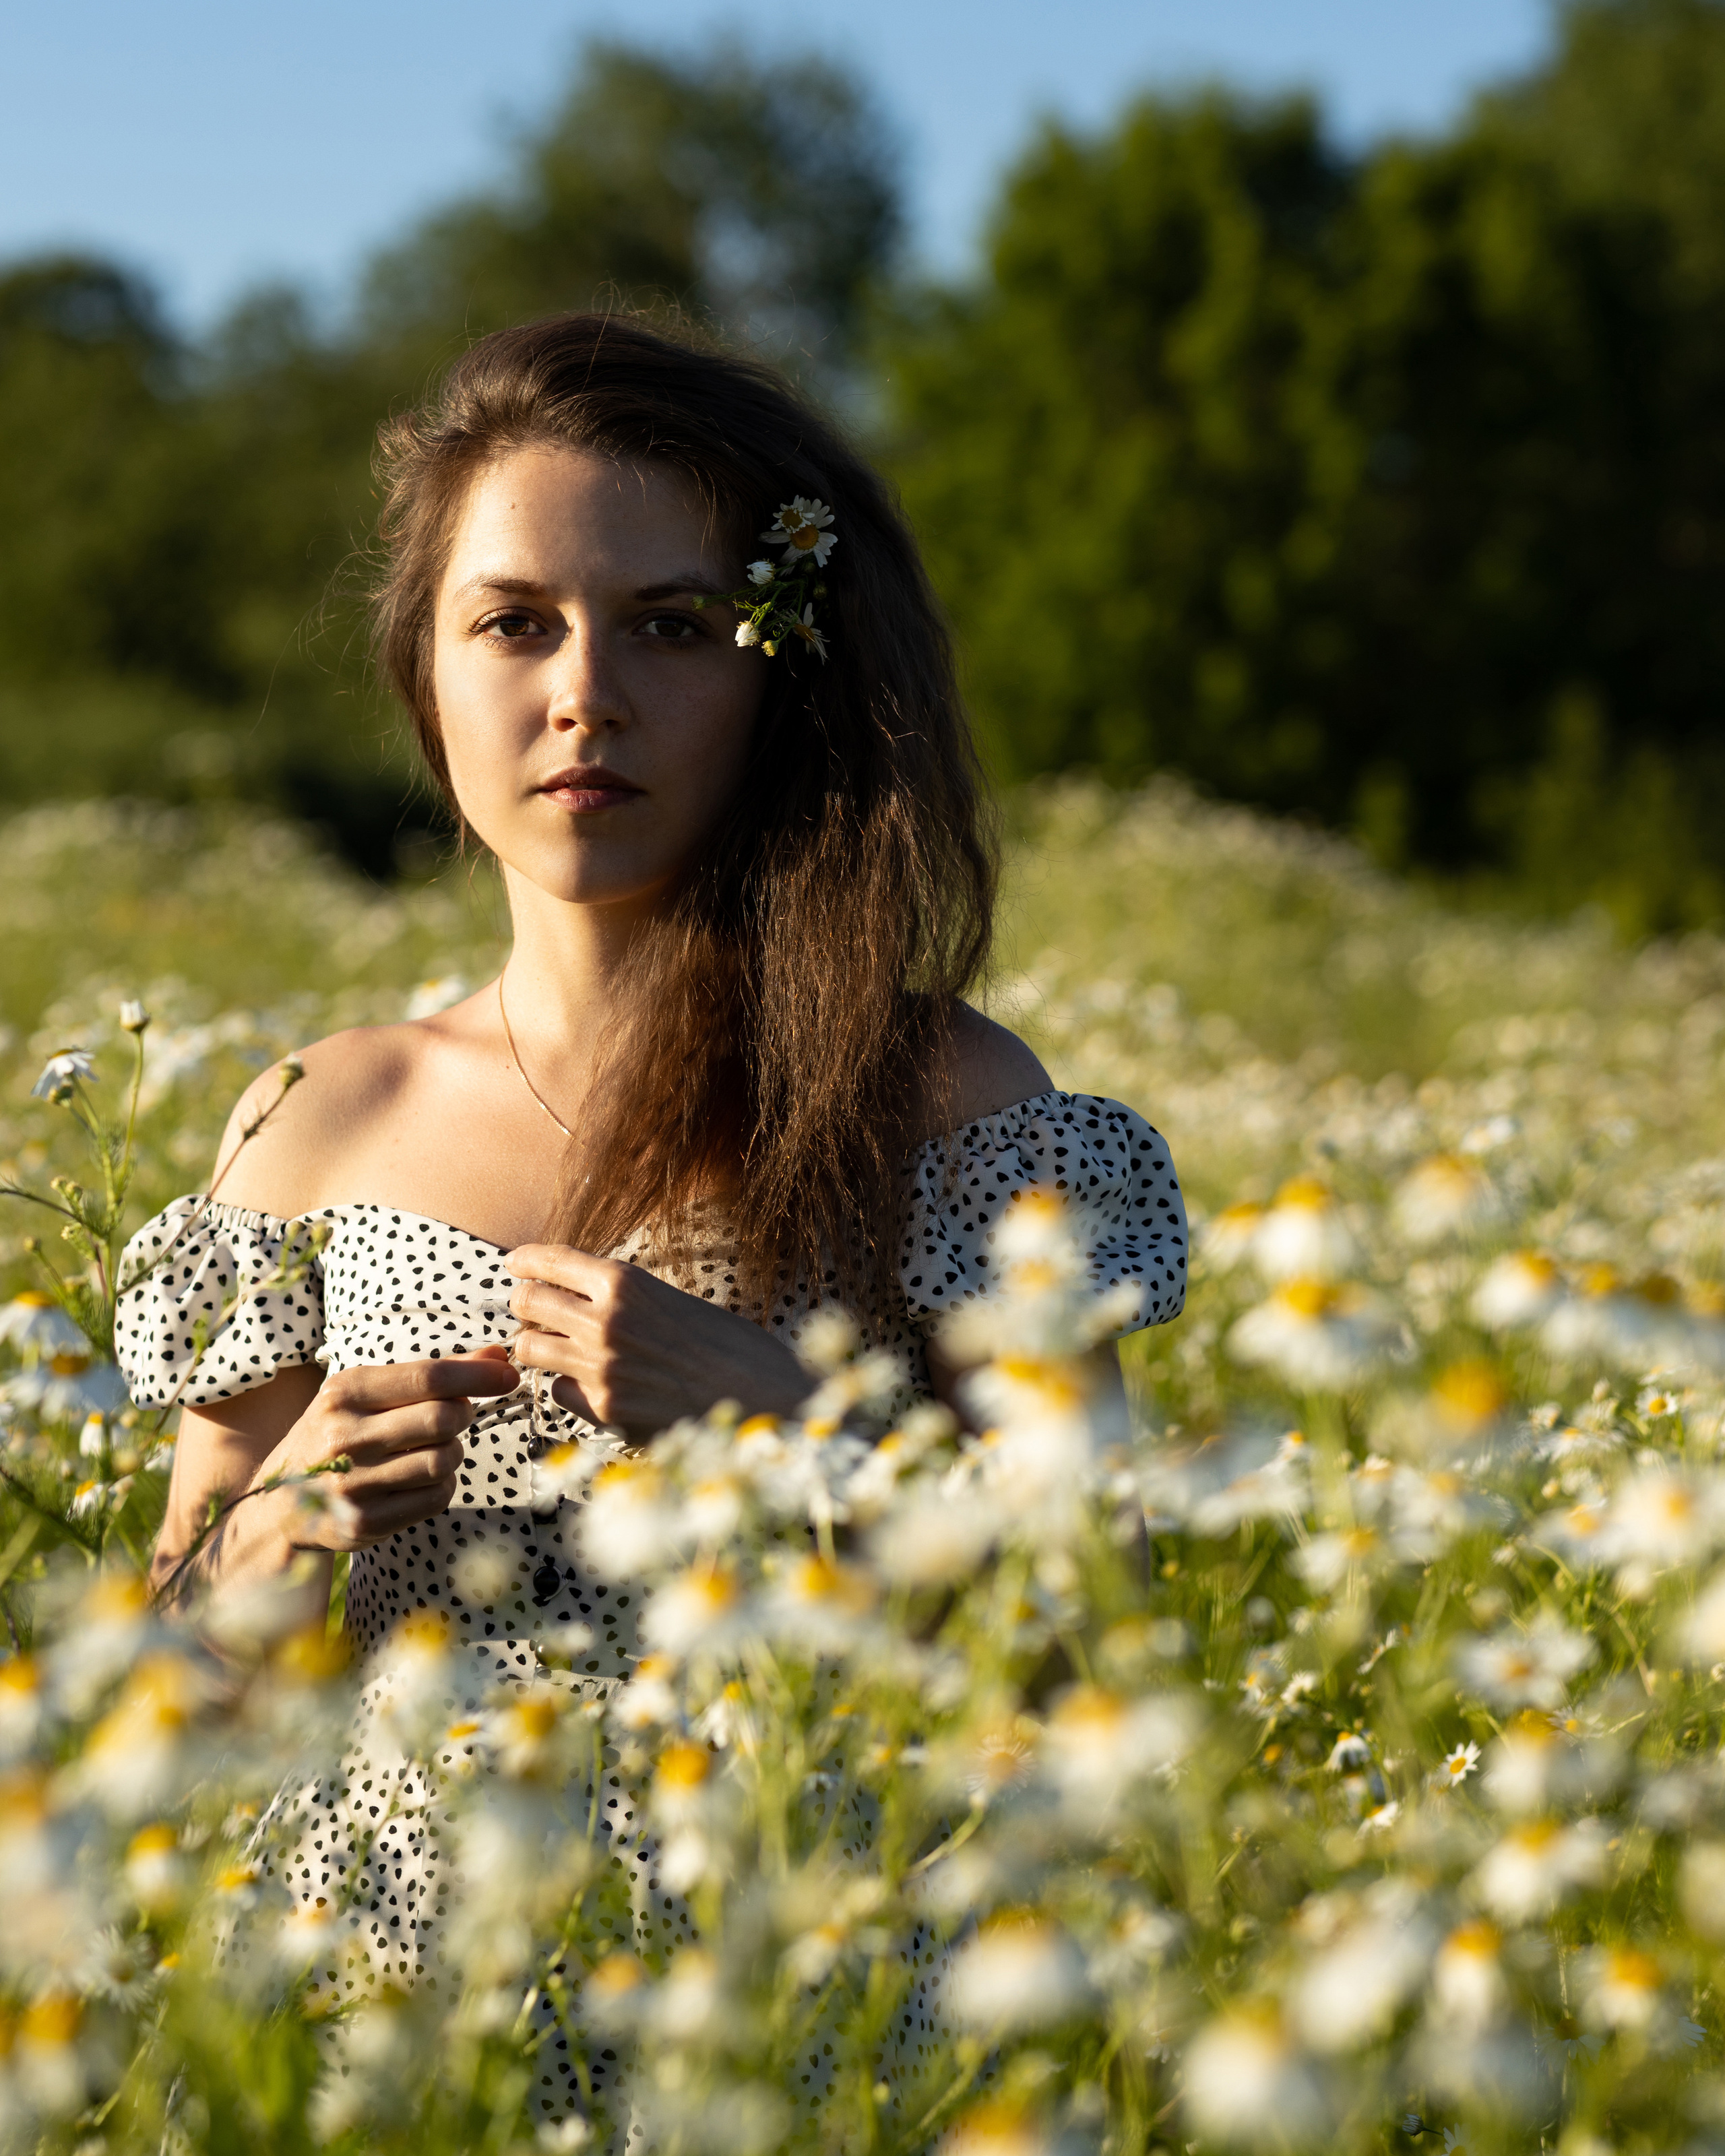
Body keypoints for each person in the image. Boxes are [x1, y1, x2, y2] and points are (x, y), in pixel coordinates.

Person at [114, 312, 1187, 2124]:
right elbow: (155, 1716)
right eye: (515, 622)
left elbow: (1100, 1661)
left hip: (797, 2045)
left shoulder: (947, 1105)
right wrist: (263, 1558)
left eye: (673, 626)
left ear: (782, 676)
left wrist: (793, 1438)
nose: (584, 694)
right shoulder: (317, 1120)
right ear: (425, 667)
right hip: (389, 2052)